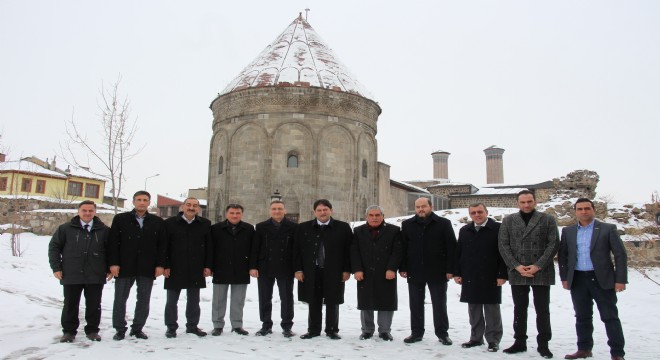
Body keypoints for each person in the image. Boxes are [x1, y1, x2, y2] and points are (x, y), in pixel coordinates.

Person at [559, 198, 627, 360]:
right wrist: (564, 277)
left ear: (593, 210)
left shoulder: (607, 229)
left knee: (609, 317)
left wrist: (620, 279)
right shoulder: (568, 231)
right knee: (582, 316)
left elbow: (620, 254)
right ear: (575, 211)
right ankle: (584, 348)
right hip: (578, 279)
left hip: (601, 279)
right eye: (580, 209)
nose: (584, 212)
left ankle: (617, 353)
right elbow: (563, 256)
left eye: (587, 208)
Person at [498, 190, 559, 358]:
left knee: (542, 310)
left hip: (541, 271)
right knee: (519, 309)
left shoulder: (547, 219)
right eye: (523, 202)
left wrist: (538, 265)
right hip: (518, 272)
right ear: (518, 203)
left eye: (529, 201)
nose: (526, 205)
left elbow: (553, 244)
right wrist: (516, 266)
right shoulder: (509, 221)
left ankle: (543, 344)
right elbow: (503, 245)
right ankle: (519, 342)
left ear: (535, 202)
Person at [48, 200, 112, 343]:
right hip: (71, 272)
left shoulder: (104, 230)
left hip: (95, 273)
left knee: (94, 305)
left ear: (95, 212)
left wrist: (109, 268)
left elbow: (111, 251)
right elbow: (54, 247)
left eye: (90, 210)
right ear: (79, 211)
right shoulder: (65, 229)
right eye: (84, 210)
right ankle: (69, 332)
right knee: (70, 304)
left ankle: (92, 330)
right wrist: (56, 267)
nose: (87, 213)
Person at [108, 190, 165, 340]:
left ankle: (137, 328)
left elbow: (162, 245)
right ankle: (120, 329)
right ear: (133, 202)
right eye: (139, 199)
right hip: (124, 266)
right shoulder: (121, 219)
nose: (142, 202)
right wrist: (113, 263)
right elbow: (113, 243)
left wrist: (160, 265)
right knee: (120, 298)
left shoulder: (157, 222)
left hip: (147, 266)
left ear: (149, 202)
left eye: (145, 200)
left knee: (144, 299)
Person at [399, 197, 457, 345]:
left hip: (437, 271)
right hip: (415, 270)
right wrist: (403, 267)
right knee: (416, 304)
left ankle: (442, 333)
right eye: (418, 207)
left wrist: (451, 269)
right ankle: (416, 333)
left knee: (439, 304)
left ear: (430, 206)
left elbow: (451, 247)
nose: (421, 209)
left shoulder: (443, 224)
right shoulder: (407, 225)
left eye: (424, 206)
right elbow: (403, 248)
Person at [293, 199, 352, 340]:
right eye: (319, 210)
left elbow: (349, 251)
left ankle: (332, 330)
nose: (322, 212)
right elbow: (296, 251)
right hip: (311, 271)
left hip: (334, 271)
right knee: (313, 300)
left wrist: (346, 270)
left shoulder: (343, 227)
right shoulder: (303, 228)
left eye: (325, 209)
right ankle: (313, 329)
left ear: (331, 210)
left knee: (333, 300)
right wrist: (298, 270)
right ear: (314, 212)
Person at [454, 203, 507, 352]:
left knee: (492, 309)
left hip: (491, 275)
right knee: (474, 309)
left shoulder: (498, 228)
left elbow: (504, 253)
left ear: (486, 212)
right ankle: (476, 338)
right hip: (470, 275)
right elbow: (459, 253)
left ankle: (493, 339)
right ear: (470, 215)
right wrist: (457, 272)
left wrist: (502, 274)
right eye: (473, 213)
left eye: (480, 212)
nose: (477, 215)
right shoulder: (465, 230)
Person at [162, 197, 212, 338]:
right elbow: (164, 246)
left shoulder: (205, 224)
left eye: (195, 205)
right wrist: (165, 265)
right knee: (172, 300)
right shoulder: (169, 223)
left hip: (196, 267)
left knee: (194, 300)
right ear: (182, 207)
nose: (191, 207)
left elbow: (209, 247)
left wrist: (208, 265)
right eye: (188, 205)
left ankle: (192, 326)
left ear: (198, 208)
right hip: (174, 267)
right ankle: (171, 327)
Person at [350, 205, 402, 341]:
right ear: (366, 216)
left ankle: (384, 330)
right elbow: (354, 251)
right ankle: (367, 330)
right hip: (365, 273)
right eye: (371, 215)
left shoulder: (394, 231)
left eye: (377, 215)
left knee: (386, 302)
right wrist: (357, 269)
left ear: (383, 216)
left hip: (386, 272)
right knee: (365, 302)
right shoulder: (358, 231)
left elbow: (397, 251)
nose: (374, 218)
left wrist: (392, 268)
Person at [250, 200, 298, 337]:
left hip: (286, 267)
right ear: (270, 211)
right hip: (265, 266)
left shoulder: (293, 227)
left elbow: (296, 250)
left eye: (280, 209)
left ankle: (287, 326)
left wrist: (297, 268)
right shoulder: (260, 227)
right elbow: (255, 248)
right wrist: (253, 266)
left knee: (287, 297)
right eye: (274, 209)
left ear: (285, 210)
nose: (277, 211)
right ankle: (266, 325)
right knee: (265, 297)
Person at [210, 204, 255, 336]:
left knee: (238, 300)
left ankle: (237, 325)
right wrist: (210, 266)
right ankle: (217, 325)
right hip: (220, 268)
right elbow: (211, 249)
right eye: (232, 213)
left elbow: (253, 250)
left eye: (237, 213)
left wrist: (252, 266)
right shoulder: (216, 229)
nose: (235, 215)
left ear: (242, 214)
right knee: (218, 299)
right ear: (226, 214)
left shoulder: (249, 229)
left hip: (241, 268)